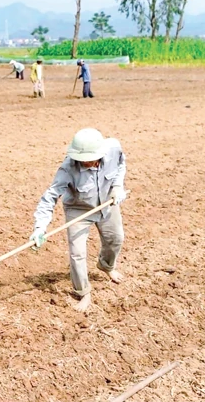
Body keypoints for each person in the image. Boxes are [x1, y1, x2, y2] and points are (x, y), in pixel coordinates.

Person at [28, 128, 127, 313]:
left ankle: (106, 265)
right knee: (77, 253)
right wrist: (40, 227)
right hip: (78, 209)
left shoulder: (113, 148)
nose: (85, 162)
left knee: (116, 238)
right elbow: (49, 197)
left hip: (107, 202)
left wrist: (117, 187)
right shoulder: (68, 168)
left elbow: (121, 164)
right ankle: (84, 291)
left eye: (89, 158)